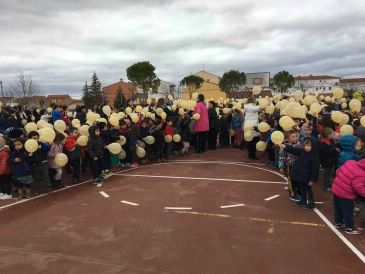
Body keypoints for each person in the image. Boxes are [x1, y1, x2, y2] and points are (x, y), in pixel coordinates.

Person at [280, 138, 320, 209]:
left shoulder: (314, 157)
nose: (306, 148)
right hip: (301, 175)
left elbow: (315, 170)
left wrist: (312, 180)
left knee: (308, 190)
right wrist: (285, 147)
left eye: (309, 146)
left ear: (314, 146)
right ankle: (303, 200)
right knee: (302, 188)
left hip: (308, 177)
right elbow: (294, 150)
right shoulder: (303, 151)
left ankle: (311, 203)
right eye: (305, 146)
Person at [331, 155, 365, 234]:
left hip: (336, 190)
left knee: (338, 209)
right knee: (348, 212)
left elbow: (338, 171)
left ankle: (338, 223)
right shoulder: (362, 174)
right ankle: (349, 228)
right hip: (346, 195)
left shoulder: (350, 162)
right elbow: (359, 187)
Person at [278, 130, 302, 201]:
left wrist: (298, 129)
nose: (295, 138)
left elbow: (305, 137)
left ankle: (299, 193)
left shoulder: (299, 144)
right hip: (290, 166)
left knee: (298, 180)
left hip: (298, 166)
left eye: (296, 136)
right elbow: (281, 156)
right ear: (288, 139)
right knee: (291, 181)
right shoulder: (284, 145)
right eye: (293, 137)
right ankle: (293, 194)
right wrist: (281, 166)